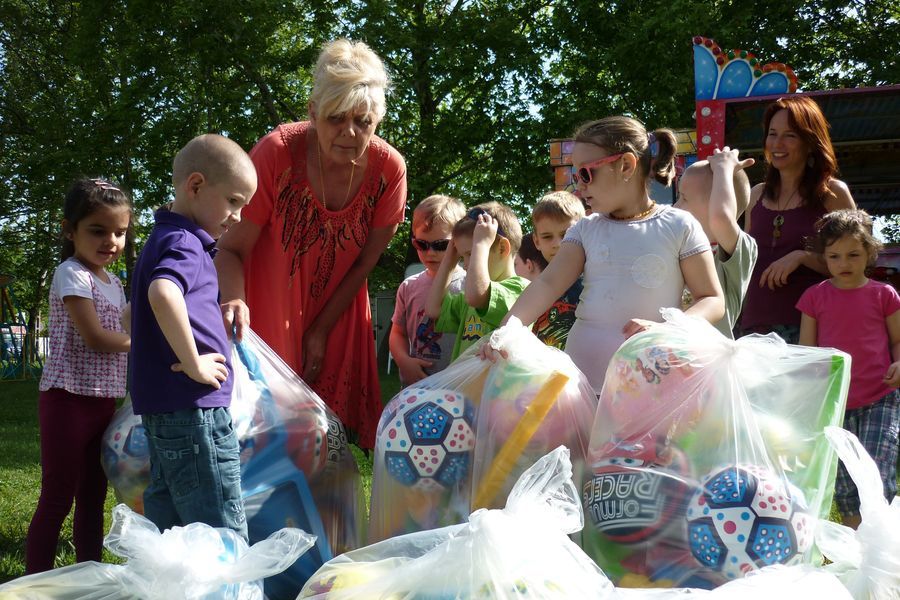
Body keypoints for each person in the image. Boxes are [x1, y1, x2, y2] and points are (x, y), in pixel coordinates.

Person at [215, 39, 406, 450]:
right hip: (266, 311)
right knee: (266, 438)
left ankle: (325, 515)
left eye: (363, 121)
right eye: (337, 118)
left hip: (338, 310)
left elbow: (365, 263)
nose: (349, 132)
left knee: (328, 444)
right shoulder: (275, 154)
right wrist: (232, 301)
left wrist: (320, 329)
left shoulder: (390, 170)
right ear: (313, 111)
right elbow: (229, 248)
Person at [482, 116, 724, 393]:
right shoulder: (585, 229)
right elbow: (547, 284)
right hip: (583, 381)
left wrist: (669, 328)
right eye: (575, 175)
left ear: (626, 165)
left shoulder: (679, 225)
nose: (579, 185)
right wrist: (506, 330)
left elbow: (712, 299)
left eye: (586, 173)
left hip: (653, 381)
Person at [130, 134, 257, 540]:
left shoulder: (161, 239)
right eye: (234, 201)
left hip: (165, 412)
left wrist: (200, 317)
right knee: (220, 531)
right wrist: (194, 360)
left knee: (171, 531)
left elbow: (131, 311)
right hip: (195, 412)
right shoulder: (186, 243)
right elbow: (162, 293)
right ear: (196, 185)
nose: (237, 216)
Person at [25, 178, 131, 573]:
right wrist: (144, 344)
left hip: (103, 401)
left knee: (93, 494)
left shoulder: (114, 282)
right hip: (67, 400)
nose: (111, 241)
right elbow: (97, 337)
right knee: (58, 494)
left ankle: (89, 574)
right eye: (98, 231)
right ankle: (35, 580)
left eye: (119, 232)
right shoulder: (72, 273)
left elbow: (125, 329)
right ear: (69, 230)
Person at [797, 209, 900, 529]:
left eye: (854, 254)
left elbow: (898, 340)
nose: (844, 264)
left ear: (870, 253)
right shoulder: (814, 298)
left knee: (877, 476)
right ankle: (856, 555)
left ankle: (884, 549)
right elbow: (807, 353)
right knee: (843, 487)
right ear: (824, 258)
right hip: (834, 404)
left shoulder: (884, 295)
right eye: (835, 256)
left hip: (880, 397)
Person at [739, 96, 855, 343]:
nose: (777, 143)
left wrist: (802, 257)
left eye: (790, 135)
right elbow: (743, 263)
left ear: (810, 142)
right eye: (772, 133)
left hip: (814, 332)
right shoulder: (756, 194)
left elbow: (857, 266)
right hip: (754, 330)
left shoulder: (833, 194)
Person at [425, 201, 528, 361]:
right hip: (466, 385)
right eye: (462, 257)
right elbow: (433, 309)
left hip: (498, 385)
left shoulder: (520, 290)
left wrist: (480, 244)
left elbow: (477, 295)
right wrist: (448, 262)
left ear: (501, 249)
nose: (466, 265)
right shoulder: (469, 298)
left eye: (471, 254)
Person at [674, 147, 757, 338]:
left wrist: (723, 169)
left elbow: (720, 219)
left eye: (684, 199)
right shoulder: (676, 246)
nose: (675, 206)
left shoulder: (741, 250)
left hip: (710, 363)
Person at [389, 194, 466, 386]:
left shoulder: (470, 285)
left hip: (459, 385)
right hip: (417, 385)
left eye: (441, 245)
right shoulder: (409, 286)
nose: (430, 252)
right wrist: (403, 361)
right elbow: (398, 333)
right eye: (421, 244)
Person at [530, 191, 585, 349]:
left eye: (566, 234)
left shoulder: (594, 283)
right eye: (547, 237)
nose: (558, 244)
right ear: (536, 241)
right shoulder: (536, 289)